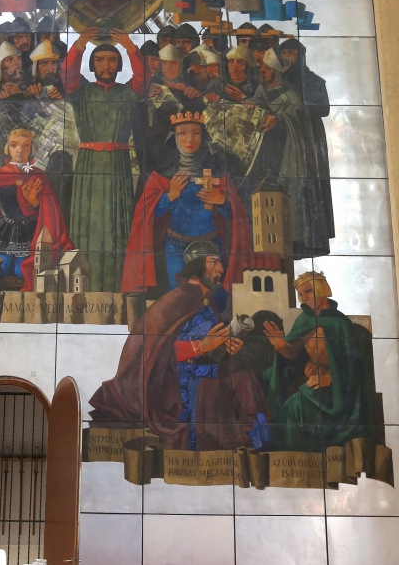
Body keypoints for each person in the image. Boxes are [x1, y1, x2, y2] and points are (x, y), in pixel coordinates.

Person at [88, 241, 271, 452]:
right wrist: (201, 346)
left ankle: (253, 449)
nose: (221, 269)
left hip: (202, 369)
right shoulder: (176, 300)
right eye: (214, 262)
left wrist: (223, 345)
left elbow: (209, 345)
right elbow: (156, 351)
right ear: (197, 266)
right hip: (174, 382)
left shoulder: (206, 300)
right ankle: (222, 450)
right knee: (227, 386)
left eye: (220, 262)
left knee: (245, 378)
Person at [122, 110, 255, 293]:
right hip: (175, 247)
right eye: (182, 134)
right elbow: (148, 213)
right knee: (178, 296)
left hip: (211, 246)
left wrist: (221, 200)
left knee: (212, 296)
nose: (189, 140)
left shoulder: (216, 171)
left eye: (195, 133)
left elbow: (236, 214)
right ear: (175, 137)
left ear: (202, 136)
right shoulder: (163, 172)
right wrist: (170, 195)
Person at [61, 26, 149, 293]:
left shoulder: (128, 93)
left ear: (119, 64)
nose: (106, 65)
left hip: (117, 166)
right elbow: (68, 77)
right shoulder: (81, 92)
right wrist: (79, 45)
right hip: (88, 166)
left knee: (116, 227)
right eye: (99, 60)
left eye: (112, 59)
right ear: (92, 64)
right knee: (86, 226)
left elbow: (142, 80)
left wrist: (130, 47)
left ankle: (116, 288)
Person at [262, 271, 378, 451]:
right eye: (300, 294)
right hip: (314, 378)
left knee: (296, 405)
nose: (303, 298)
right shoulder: (304, 319)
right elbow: (295, 354)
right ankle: (293, 454)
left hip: (340, 389)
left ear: (321, 289)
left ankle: (307, 453)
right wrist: (281, 346)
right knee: (286, 403)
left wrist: (330, 377)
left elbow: (352, 366)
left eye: (308, 291)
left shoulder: (340, 323)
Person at [0, 128, 74, 292]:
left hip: (29, 233)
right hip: (4, 232)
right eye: (14, 145)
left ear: (31, 149)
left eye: (25, 145)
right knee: (2, 269)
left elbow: (49, 211)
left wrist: (35, 203)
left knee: (23, 272)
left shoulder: (39, 175)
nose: (20, 150)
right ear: (8, 148)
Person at [247, 46, 332, 257]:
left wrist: (278, 119)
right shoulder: (261, 90)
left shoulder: (290, 92)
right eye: (262, 68)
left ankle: (294, 241)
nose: (262, 72)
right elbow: (258, 104)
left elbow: (298, 114)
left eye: (267, 69)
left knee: (287, 191)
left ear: (275, 71)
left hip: (288, 152)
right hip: (266, 151)